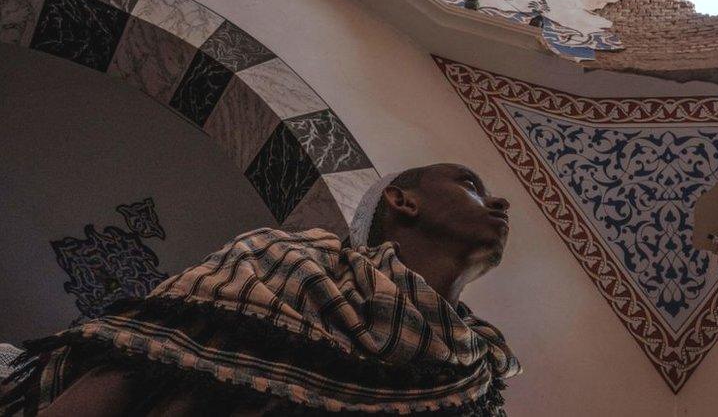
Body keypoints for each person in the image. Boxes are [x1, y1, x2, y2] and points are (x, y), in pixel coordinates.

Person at [0, 163, 521, 416]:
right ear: (403, 202)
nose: (499, 205)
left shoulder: (478, 379)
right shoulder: (288, 263)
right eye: (471, 186)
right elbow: (138, 360)